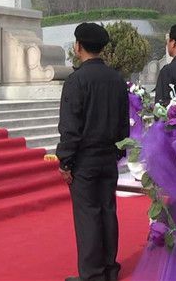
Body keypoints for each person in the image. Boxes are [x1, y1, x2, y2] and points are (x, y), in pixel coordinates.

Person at [56, 23, 129, 281]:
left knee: (88, 216)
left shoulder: (76, 81)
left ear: (78, 46)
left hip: (85, 159)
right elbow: (123, 122)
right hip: (109, 156)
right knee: (108, 211)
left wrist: (65, 161)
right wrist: (118, 152)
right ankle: (109, 268)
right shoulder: (117, 79)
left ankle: (92, 275)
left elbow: (70, 127)